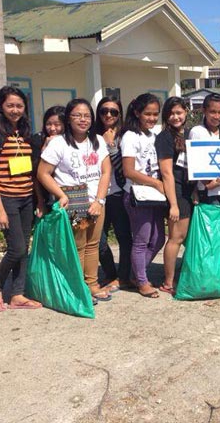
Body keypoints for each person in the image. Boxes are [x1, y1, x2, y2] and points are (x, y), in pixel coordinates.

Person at [38, 98, 112, 304]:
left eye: (87, 115)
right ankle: (78, 286)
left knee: (93, 244)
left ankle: (92, 283)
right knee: (77, 246)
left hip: (96, 201)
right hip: (73, 202)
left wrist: (99, 200)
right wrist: (61, 195)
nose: (83, 119)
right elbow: (43, 173)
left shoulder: (97, 140)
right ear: (68, 119)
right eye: (77, 115)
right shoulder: (58, 143)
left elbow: (106, 172)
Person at [0, 86, 43, 311]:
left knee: (23, 247)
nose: (15, 110)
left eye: (19, 105)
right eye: (10, 105)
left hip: (27, 197)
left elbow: (32, 170)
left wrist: (38, 200)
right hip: (7, 198)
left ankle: (18, 294)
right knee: (16, 248)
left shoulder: (25, 134)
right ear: (1, 107)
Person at [121, 93, 166, 299]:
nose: (152, 118)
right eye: (147, 113)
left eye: (155, 114)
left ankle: (135, 274)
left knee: (158, 239)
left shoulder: (153, 136)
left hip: (154, 195)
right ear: (137, 113)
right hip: (137, 195)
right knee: (141, 240)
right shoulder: (130, 136)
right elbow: (129, 171)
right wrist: (156, 182)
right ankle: (141, 280)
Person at [93, 96, 133, 292]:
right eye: (104, 111)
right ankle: (110, 273)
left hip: (118, 194)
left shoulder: (125, 136)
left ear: (119, 114)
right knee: (99, 241)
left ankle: (124, 277)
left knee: (124, 238)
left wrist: (111, 146)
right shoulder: (91, 136)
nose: (108, 115)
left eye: (113, 111)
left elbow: (122, 170)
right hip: (96, 197)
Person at [155, 97, 194, 295]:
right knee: (176, 238)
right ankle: (168, 282)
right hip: (176, 192)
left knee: (188, 237)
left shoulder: (190, 134)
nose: (176, 117)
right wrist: (173, 205)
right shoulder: (164, 138)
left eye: (179, 112)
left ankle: (185, 275)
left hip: (191, 192)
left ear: (186, 112)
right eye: (171, 113)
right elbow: (167, 173)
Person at [188, 94, 220, 208]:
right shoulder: (197, 132)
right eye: (213, 112)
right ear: (204, 111)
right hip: (207, 193)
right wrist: (206, 184)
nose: (217, 116)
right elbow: (194, 163)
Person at [30, 105, 66, 216]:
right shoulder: (38, 139)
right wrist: (40, 201)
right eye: (48, 124)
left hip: (69, 195)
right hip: (46, 197)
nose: (52, 128)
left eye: (57, 124)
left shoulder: (71, 141)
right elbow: (36, 174)